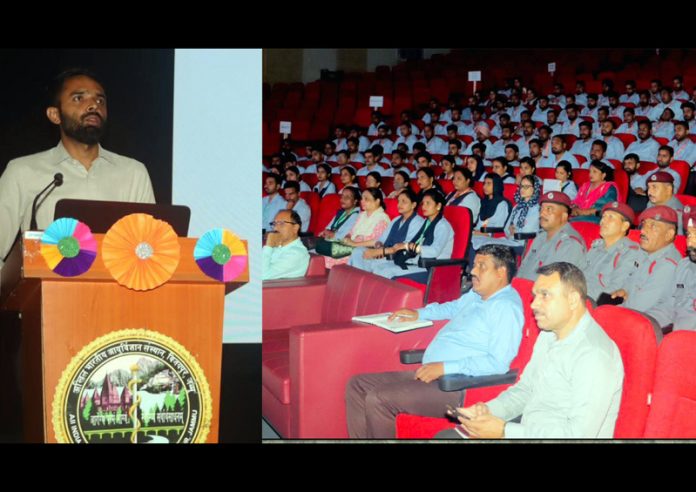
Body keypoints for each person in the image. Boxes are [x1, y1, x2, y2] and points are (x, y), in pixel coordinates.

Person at [346, 244, 524, 439]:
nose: (473, 271)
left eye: (481, 266)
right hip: (433, 374)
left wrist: (445, 368)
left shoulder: (506, 308)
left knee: (379, 398)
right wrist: (418, 313)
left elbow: (498, 363)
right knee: (358, 384)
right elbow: (452, 308)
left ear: (501, 272)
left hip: (458, 386)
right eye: (474, 265)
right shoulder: (477, 294)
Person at [440, 262, 623, 439]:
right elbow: (526, 390)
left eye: (545, 295)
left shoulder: (594, 355)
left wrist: (505, 431)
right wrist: (488, 410)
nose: (534, 304)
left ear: (573, 300)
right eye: (535, 295)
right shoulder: (549, 334)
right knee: (445, 436)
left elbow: (579, 435)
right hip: (528, 429)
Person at [0, 68, 155, 268]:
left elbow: (150, 251)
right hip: (47, 295)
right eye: (78, 98)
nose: (93, 105)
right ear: (55, 114)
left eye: (100, 101)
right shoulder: (22, 172)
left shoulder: (133, 173)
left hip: (118, 295)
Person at [611, 206, 682, 327]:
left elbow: (637, 307)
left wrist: (609, 311)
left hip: (647, 326)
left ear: (669, 234)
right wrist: (625, 290)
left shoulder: (668, 264)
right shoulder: (645, 252)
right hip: (632, 313)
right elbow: (631, 279)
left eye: (653, 226)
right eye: (643, 225)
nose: (643, 231)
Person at [370, 189, 454, 284]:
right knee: (377, 267)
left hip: (431, 267)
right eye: (423, 203)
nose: (424, 206)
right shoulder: (427, 223)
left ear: (438, 206)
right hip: (417, 262)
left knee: (387, 272)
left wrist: (407, 246)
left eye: (428, 203)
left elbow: (434, 251)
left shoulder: (442, 226)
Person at [349, 188, 424, 273]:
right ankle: (359, 279)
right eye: (398, 201)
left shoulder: (418, 222)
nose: (399, 204)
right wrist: (379, 246)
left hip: (397, 259)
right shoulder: (396, 220)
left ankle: (362, 278)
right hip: (384, 254)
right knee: (358, 251)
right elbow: (381, 240)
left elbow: (404, 247)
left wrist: (380, 251)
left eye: (404, 201)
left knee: (374, 266)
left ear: (413, 205)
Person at [517, 192, 586, 280]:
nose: (542, 214)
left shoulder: (570, 243)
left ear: (564, 216)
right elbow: (523, 268)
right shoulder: (540, 237)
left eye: (549, 209)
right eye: (541, 209)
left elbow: (555, 282)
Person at [584, 202, 644, 301]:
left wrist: (577, 292)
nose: (603, 221)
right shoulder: (596, 246)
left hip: (595, 304)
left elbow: (613, 292)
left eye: (610, 217)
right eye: (603, 217)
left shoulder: (630, 253)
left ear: (624, 226)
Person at [471, 175, 540, 254]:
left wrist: (514, 231)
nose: (522, 189)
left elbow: (526, 232)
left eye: (526, 186)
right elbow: (506, 228)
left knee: (487, 246)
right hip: (510, 240)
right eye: (521, 186)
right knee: (476, 241)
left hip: (523, 244)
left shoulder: (536, 209)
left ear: (534, 189)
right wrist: (510, 230)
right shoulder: (517, 207)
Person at [325, 188, 390, 269]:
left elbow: (377, 242)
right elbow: (351, 232)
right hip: (351, 246)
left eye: (366, 199)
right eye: (362, 198)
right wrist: (348, 237)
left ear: (377, 201)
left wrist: (355, 244)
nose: (362, 201)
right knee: (323, 253)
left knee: (327, 259)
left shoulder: (382, 219)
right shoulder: (362, 215)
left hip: (364, 252)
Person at [653, 207, 696, 330]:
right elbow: (667, 304)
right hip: (674, 336)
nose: (690, 242)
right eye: (689, 234)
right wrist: (647, 321)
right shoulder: (684, 265)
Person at [262, 210, 310, 280]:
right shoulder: (278, 246)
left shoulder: (297, 253)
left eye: (281, 223)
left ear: (295, 228)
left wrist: (268, 246)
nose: (275, 228)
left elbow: (262, 275)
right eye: (274, 224)